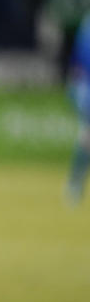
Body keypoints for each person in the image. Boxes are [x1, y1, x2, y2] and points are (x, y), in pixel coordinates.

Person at [66, 12, 90, 204]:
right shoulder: (87, 24)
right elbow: (80, 61)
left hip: (81, 86)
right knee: (87, 137)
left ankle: (74, 183)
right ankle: (74, 183)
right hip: (86, 88)